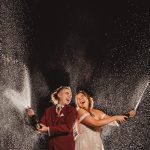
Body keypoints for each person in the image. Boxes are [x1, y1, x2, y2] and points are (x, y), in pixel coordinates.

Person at [27, 86, 77, 150]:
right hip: (51, 147)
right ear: (59, 95)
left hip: (66, 147)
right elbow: (40, 127)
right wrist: (32, 116)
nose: (70, 96)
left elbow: (68, 127)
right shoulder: (48, 110)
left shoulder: (71, 110)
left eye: (71, 95)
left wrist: (48, 129)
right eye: (67, 93)